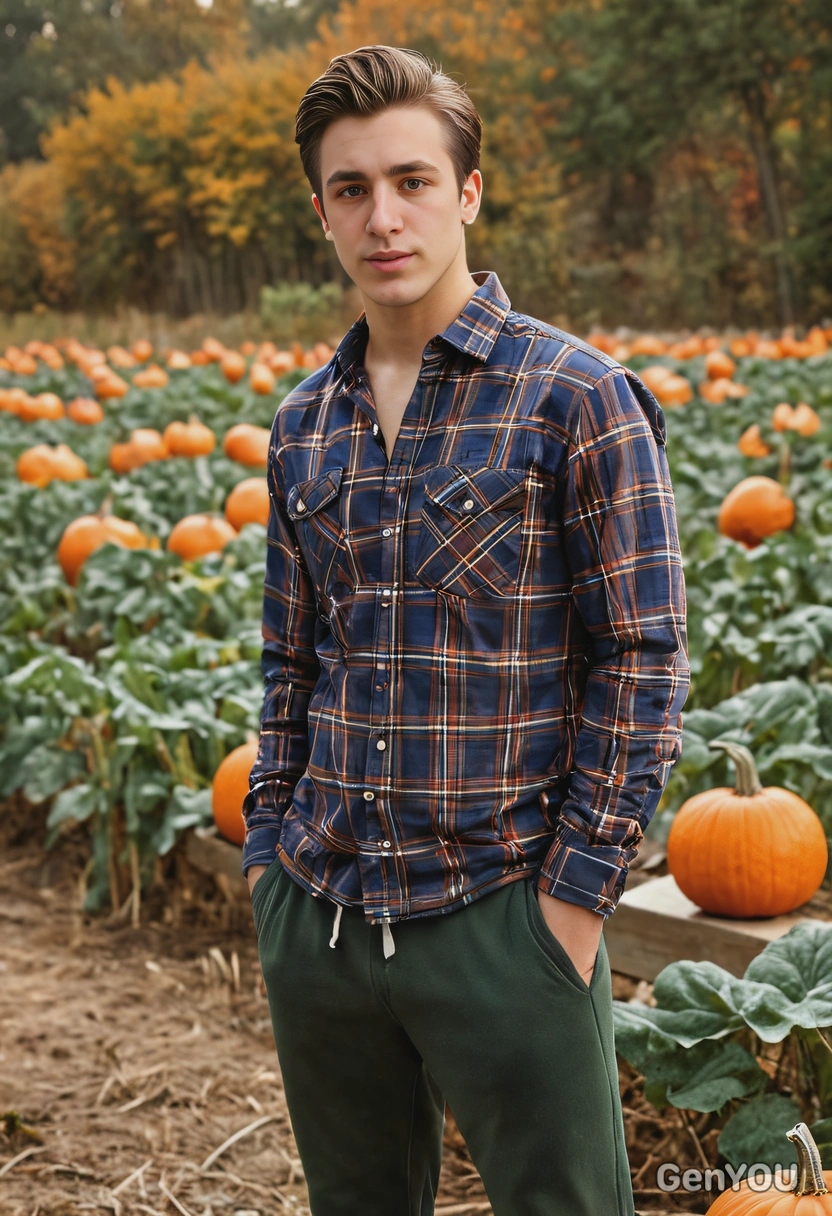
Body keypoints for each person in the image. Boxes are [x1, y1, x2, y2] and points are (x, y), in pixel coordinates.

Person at [241, 43, 690, 1216]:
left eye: (411, 181)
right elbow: (289, 660)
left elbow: (641, 659)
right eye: (351, 189)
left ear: (467, 193)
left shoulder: (575, 396)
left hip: (504, 908)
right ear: (322, 212)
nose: (382, 216)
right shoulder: (303, 425)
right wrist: (268, 869)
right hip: (323, 908)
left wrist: (575, 900)